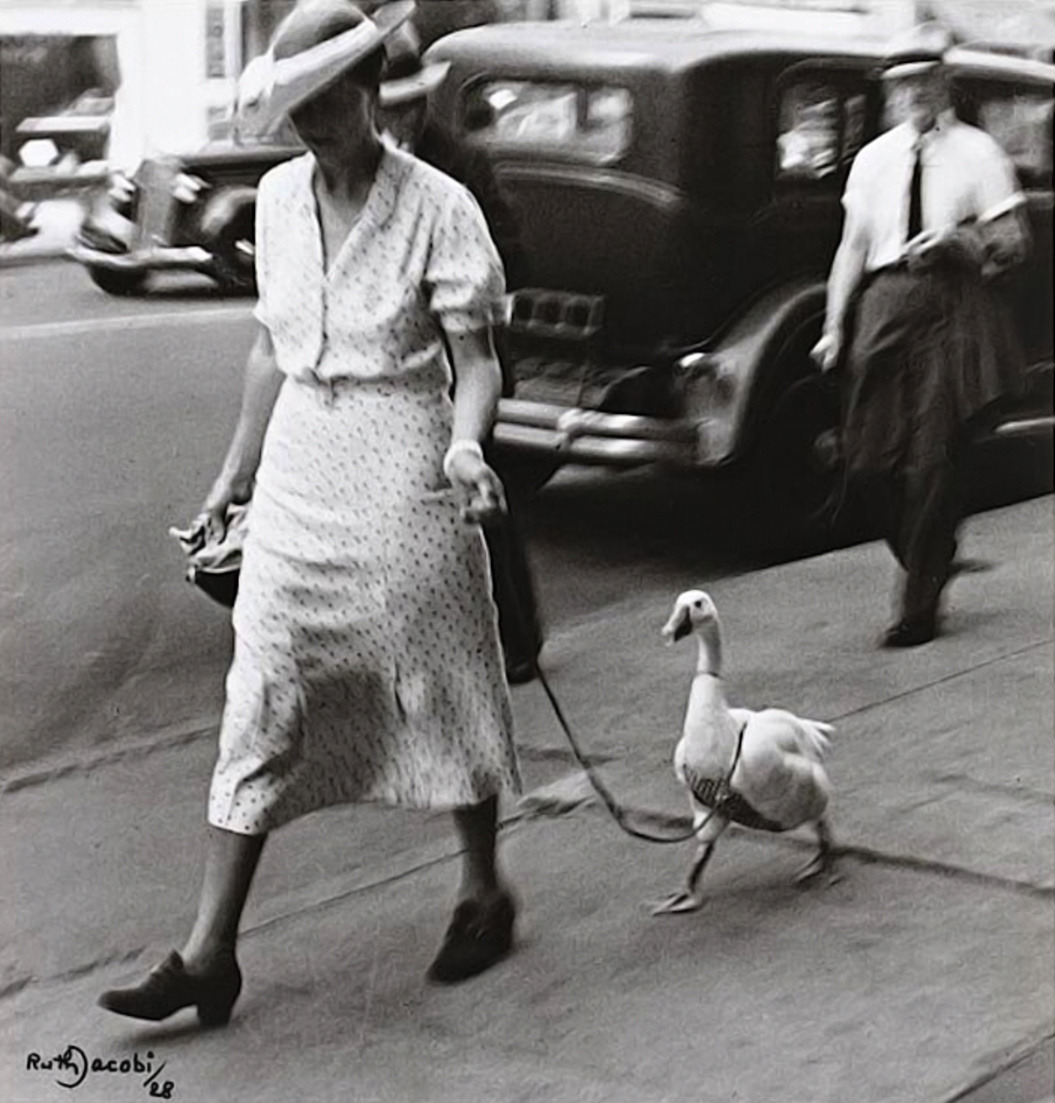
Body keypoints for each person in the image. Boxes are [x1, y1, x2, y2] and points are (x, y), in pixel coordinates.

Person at [98, 0, 522, 1027]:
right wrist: (232, 473)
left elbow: (477, 360)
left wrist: (467, 444)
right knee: (264, 681)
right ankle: (209, 952)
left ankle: (480, 886)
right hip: (300, 472)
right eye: (292, 107)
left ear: (371, 92)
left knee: (437, 672)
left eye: (326, 100)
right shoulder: (279, 199)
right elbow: (267, 347)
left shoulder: (437, 205)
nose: (308, 123)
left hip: (403, 458)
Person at [812, 22, 1029, 648]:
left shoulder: (979, 153)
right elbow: (851, 248)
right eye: (902, 84)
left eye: (924, 81)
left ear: (944, 83)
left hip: (951, 304)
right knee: (867, 463)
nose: (913, 94)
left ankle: (916, 609)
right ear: (889, 92)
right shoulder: (873, 159)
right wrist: (833, 326)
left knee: (933, 461)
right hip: (883, 306)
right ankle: (930, 555)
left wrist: (962, 239)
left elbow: (1015, 240)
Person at [376, 24, 544, 684]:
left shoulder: (460, 164)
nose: (388, 118)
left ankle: (520, 636)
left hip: (467, 354)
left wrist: (451, 283)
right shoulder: (369, 171)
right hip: (408, 363)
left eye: (399, 105)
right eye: (380, 105)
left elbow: (513, 256)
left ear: (418, 105)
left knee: (480, 500)